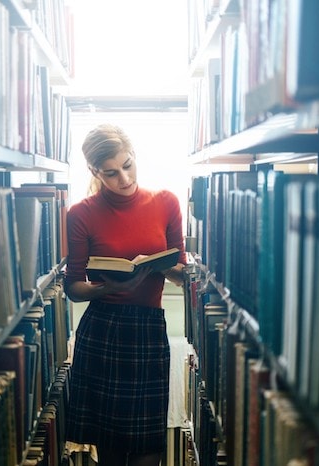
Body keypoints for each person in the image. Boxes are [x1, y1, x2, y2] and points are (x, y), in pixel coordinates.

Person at [64, 124, 186, 466]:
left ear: (134, 156)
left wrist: (161, 267)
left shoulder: (166, 202)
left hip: (148, 330)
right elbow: (73, 286)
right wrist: (108, 288)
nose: (124, 178)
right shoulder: (80, 214)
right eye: (111, 173)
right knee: (112, 448)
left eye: (128, 165)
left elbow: (181, 272)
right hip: (104, 330)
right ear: (94, 172)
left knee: (150, 447)